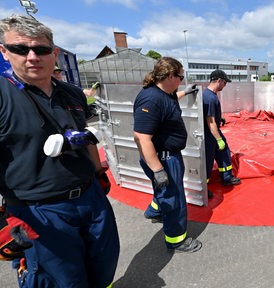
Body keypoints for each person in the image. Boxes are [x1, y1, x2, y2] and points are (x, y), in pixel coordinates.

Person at [0, 14, 120, 287]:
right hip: (38, 210)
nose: (32, 57)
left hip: (90, 198)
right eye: (21, 48)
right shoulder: (4, 95)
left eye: (41, 49)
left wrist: (98, 173)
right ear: (4, 53)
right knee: (62, 281)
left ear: (54, 54)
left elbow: (86, 137)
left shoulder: (72, 93)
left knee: (103, 265)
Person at [133, 56, 202, 253]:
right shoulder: (151, 98)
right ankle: (176, 239)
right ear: (170, 75)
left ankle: (154, 211)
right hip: (162, 158)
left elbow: (170, 100)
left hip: (163, 156)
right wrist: (158, 170)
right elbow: (141, 137)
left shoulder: (165, 93)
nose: (182, 80)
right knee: (173, 198)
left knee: (162, 191)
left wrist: (185, 92)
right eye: (181, 77)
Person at [203, 69, 241, 196]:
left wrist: (221, 118)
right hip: (210, 135)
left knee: (224, 153)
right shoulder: (209, 98)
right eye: (225, 83)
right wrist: (218, 139)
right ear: (219, 81)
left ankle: (226, 178)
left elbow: (212, 117)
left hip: (214, 132)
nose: (225, 86)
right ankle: (203, 188)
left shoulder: (211, 96)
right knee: (208, 162)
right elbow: (210, 122)